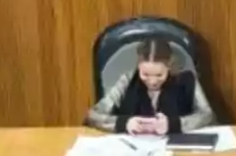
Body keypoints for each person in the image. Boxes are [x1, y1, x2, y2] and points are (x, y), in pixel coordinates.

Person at [85, 39, 215, 135]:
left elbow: (208, 116)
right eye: (145, 74)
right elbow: (94, 115)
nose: (152, 82)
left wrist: (174, 124)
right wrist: (124, 123)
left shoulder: (186, 80)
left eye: (159, 75)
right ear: (139, 66)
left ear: (169, 66)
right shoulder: (128, 79)